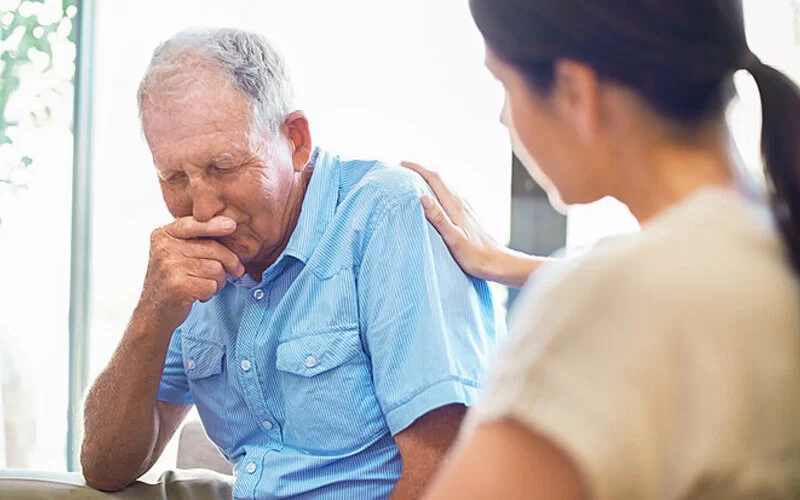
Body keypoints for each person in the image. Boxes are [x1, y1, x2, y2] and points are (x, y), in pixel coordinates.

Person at [80, 28, 499, 499]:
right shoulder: (193, 265)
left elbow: (447, 470)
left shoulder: (387, 214)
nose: (200, 208)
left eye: (223, 167)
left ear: (296, 140)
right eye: (174, 176)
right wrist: (151, 315)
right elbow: (104, 469)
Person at [405, 1, 800, 499]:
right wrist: (516, 266)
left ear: (576, 91)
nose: (505, 118)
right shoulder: (770, 236)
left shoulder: (602, 304)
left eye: (504, 85)